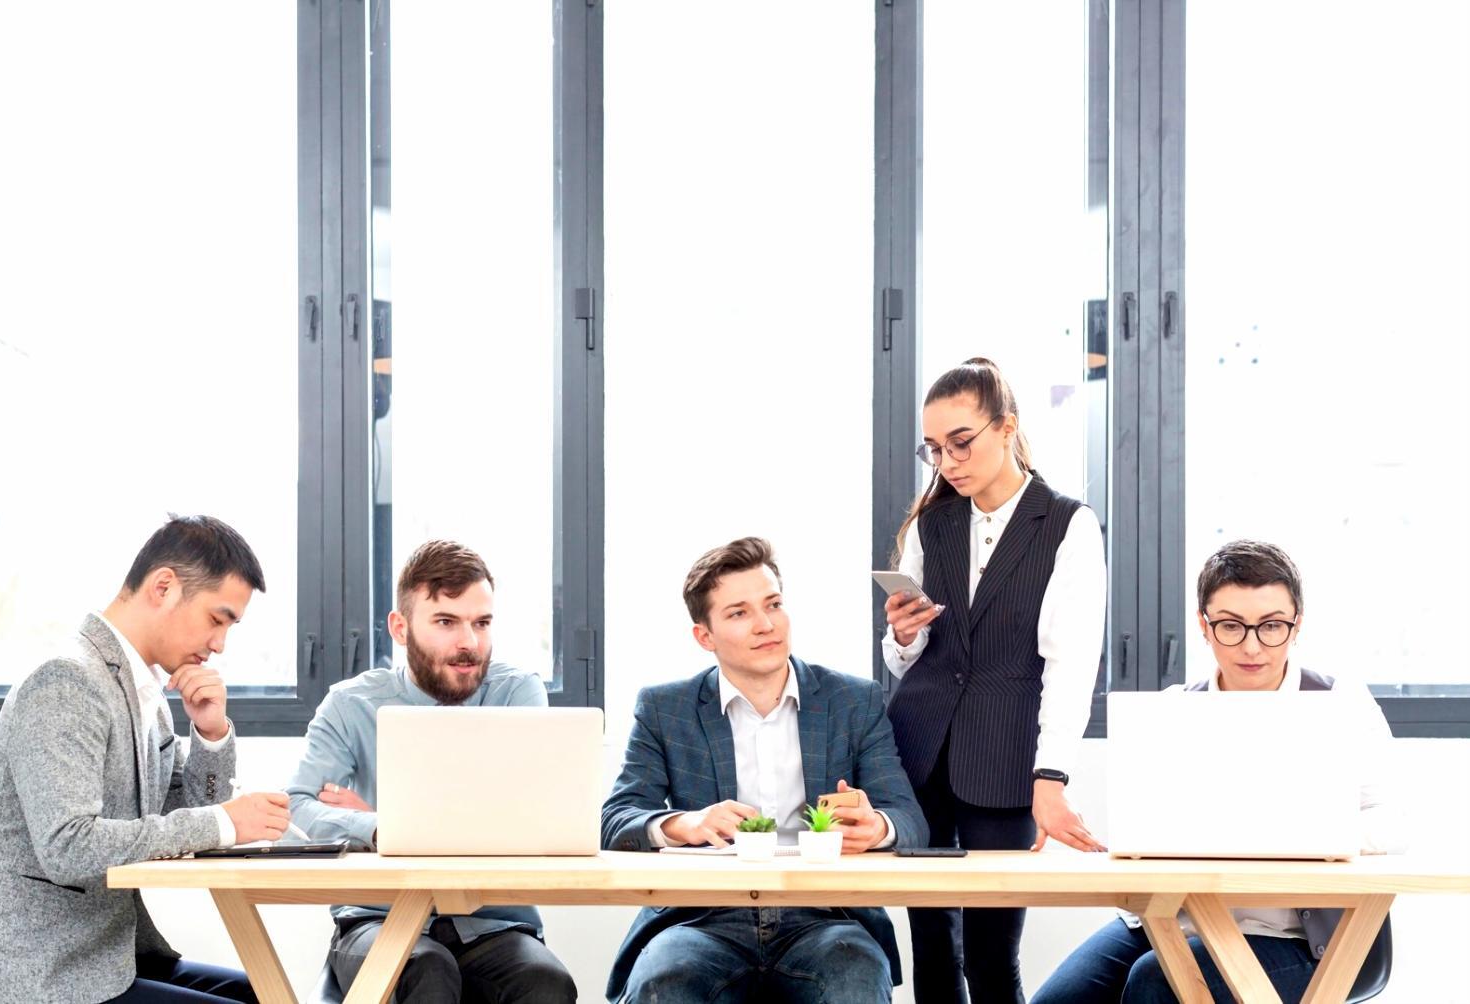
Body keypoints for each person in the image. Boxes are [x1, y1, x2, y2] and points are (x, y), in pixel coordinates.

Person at [1031, 540, 1405, 1004]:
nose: (1251, 646)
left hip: (1299, 940)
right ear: (1204, 627)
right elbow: (1144, 826)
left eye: (1271, 626)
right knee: (1059, 1000)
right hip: (1173, 917)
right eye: (1230, 626)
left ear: (1297, 626)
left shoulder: (1339, 703)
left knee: (1156, 984)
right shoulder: (1173, 710)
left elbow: (1391, 822)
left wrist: (1288, 836)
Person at [0, 515, 290, 1003]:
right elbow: (69, 848)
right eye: (217, 619)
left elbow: (188, 809)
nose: (220, 644)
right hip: (42, 977)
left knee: (267, 993)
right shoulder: (65, 681)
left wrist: (211, 733)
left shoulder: (145, 690)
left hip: (107, 957)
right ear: (164, 586)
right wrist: (224, 823)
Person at [602, 536, 929, 1004]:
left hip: (826, 917)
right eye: (739, 613)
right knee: (663, 982)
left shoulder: (853, 701)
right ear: (705, 636)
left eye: (773, 604)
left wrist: (878, 826)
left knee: (854, 979)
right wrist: (685, 823)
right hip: (701, 919)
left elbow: (910, 819)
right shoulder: (664, 708)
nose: (765, 624)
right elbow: (616, 819)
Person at [881, 357, 1108, 1003]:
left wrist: (1051, 777)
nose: (947, 462)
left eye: (961, 442)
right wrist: (902, 635)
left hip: (1004, 758)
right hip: (918, 753)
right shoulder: (933, 523)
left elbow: (1070, 663)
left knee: (989, 955)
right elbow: (911, 658)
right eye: (934, 449)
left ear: (1004, 428)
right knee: (930, 950)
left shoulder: (1066, 523)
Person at [286, 540, 576, 1004]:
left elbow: (530, 816)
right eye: (446, 622)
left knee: (546, 983)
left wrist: (391, 825)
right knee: (429, 970)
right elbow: (295, 812)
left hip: (493, 923)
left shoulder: (517, 693)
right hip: (375, 921)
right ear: (400, 628)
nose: (469, 643)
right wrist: (379, 827)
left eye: (481, 623)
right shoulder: (350, 704)